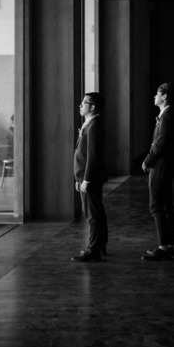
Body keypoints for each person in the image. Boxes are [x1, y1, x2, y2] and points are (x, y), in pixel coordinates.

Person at [142, 83, 174, 261]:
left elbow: (160, 143)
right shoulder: (166, 115)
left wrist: (148, 160)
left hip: (160, 167)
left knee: (156, 205)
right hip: (164, 166)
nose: (154, 96)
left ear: (164, 97)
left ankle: (163, 246)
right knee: (166, 205)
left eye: (157, 93)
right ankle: (169, 244)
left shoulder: (166, 117)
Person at [71, 92, 107, 262]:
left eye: (84, 102)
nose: (80, 105)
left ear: (92, 107)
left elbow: (92, 156)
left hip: (89, 177)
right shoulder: (89, 123)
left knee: (92, 214)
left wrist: (86, 179)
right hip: (83, 176)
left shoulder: (94, 126)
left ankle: (94, 250)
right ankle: (100, 245)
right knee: (95, 212)